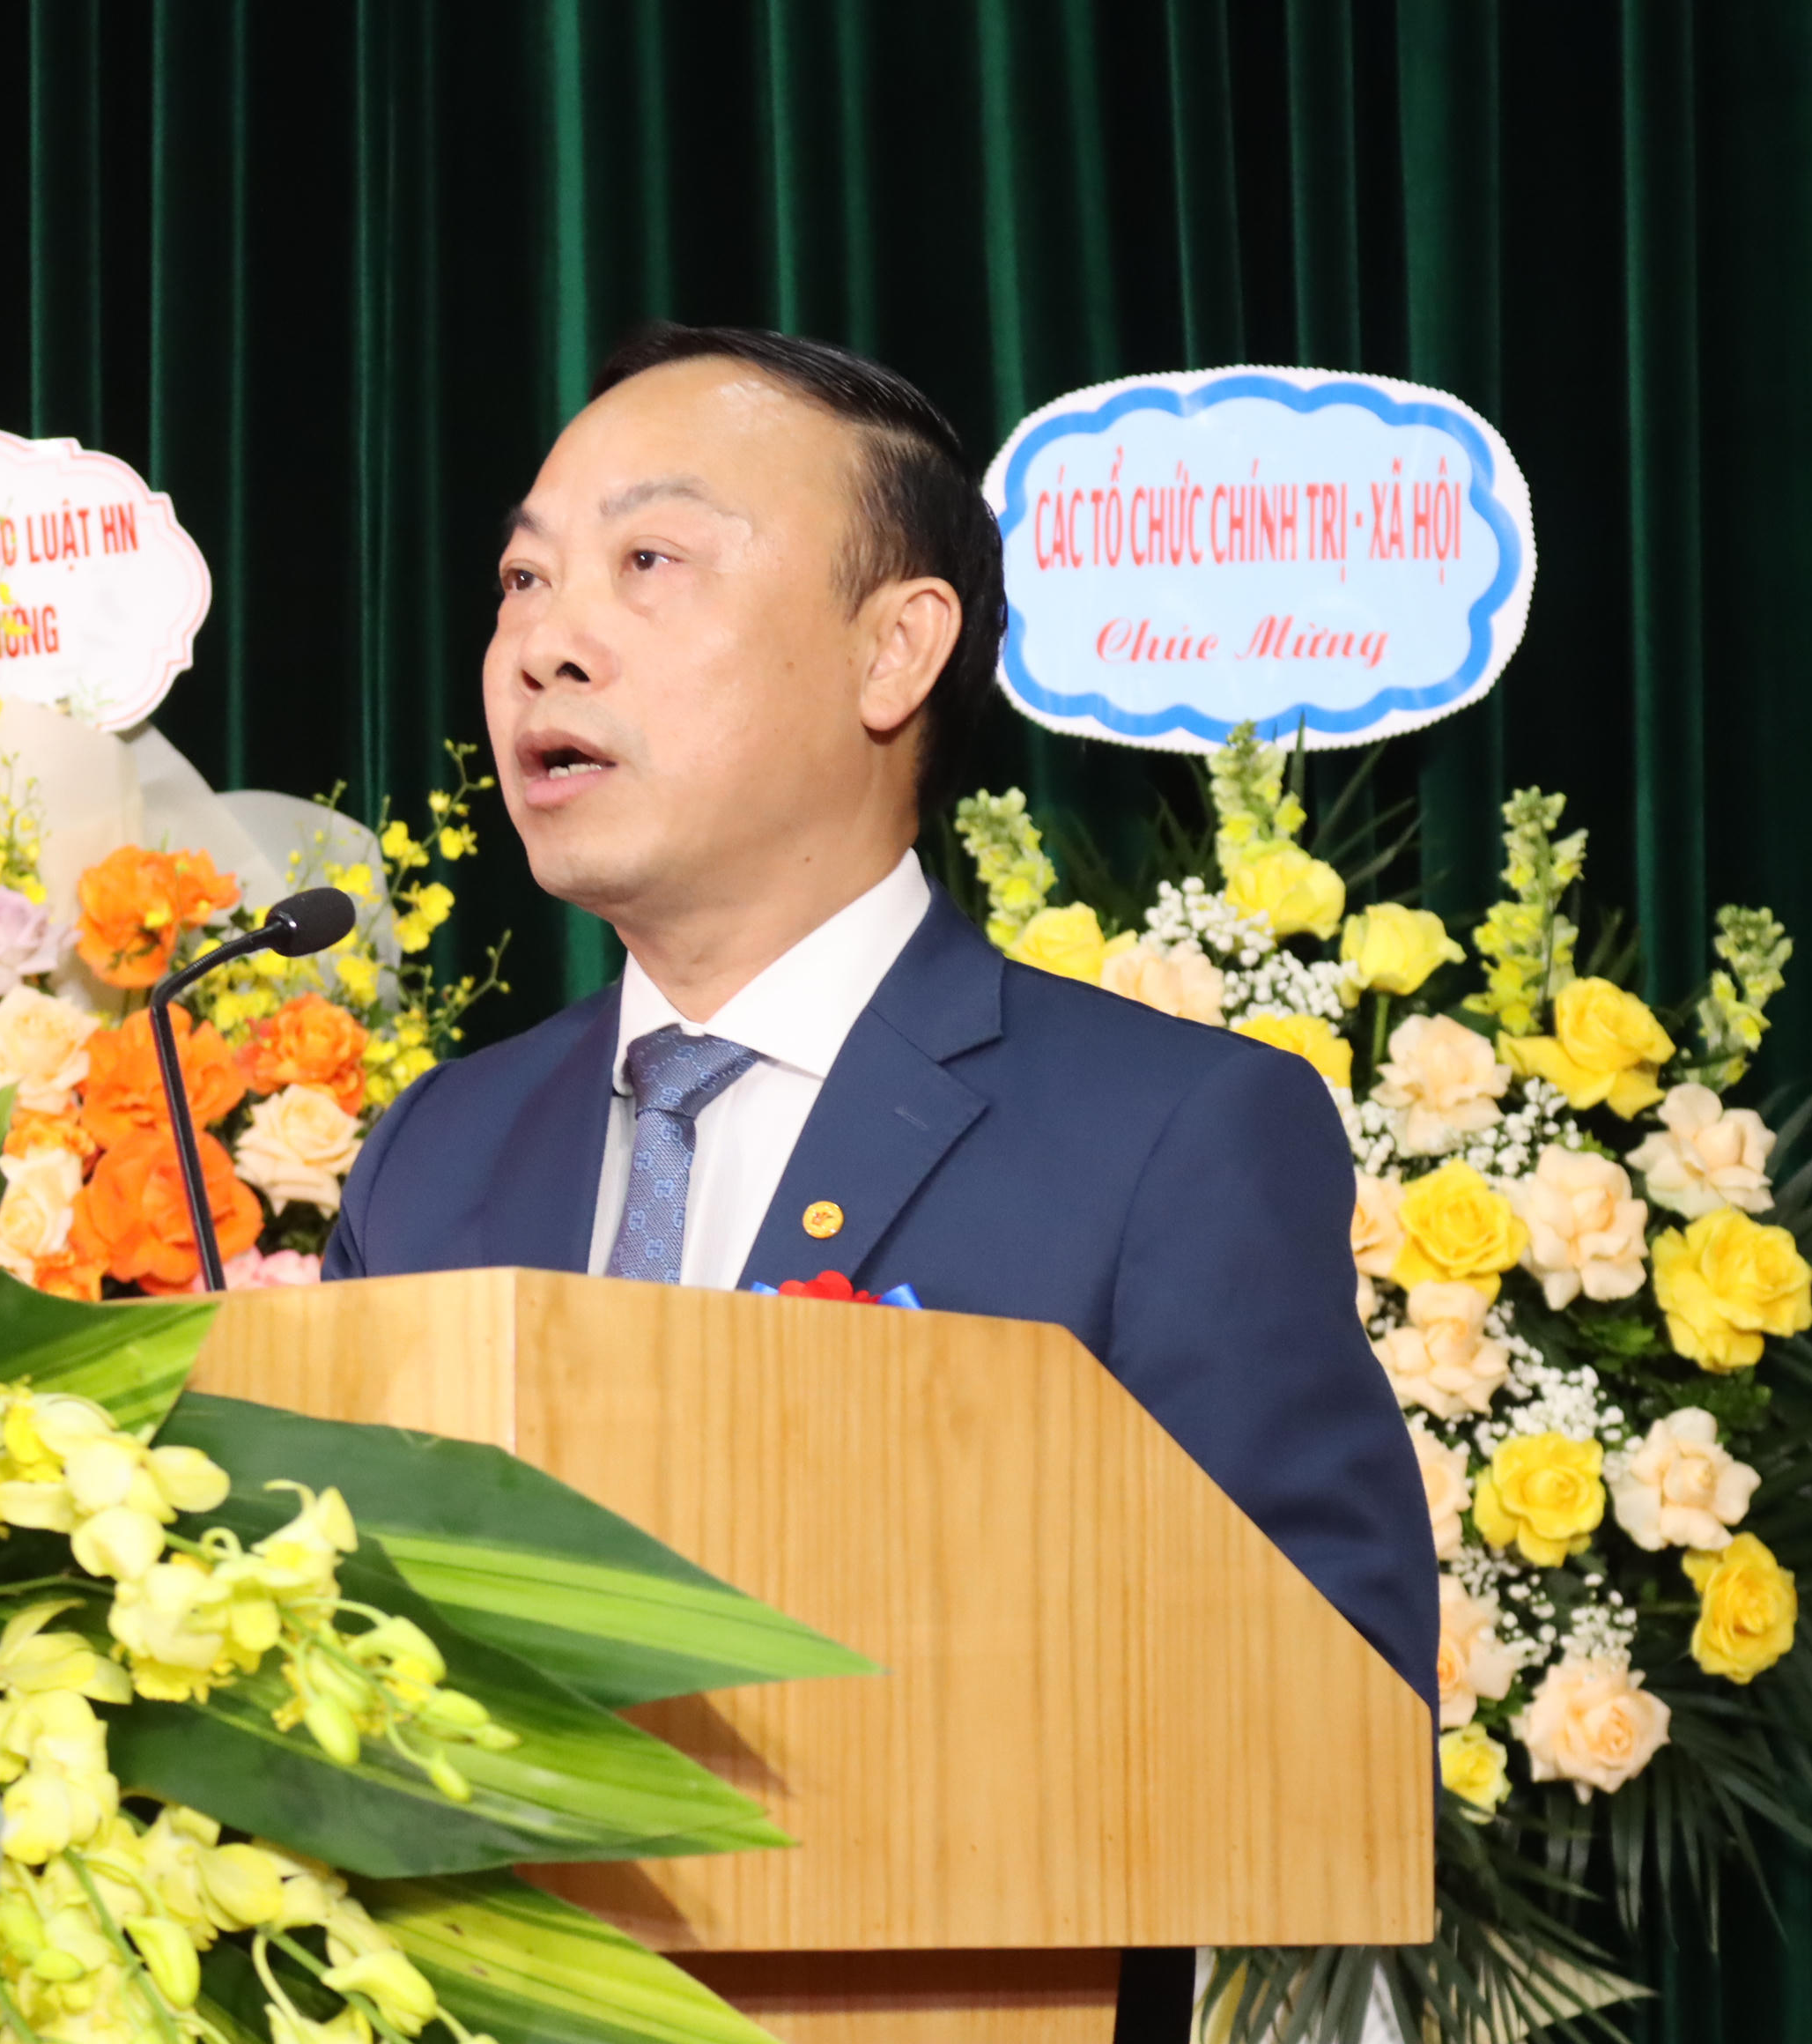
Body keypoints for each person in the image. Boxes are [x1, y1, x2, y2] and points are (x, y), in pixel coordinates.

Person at [322, 317, 1432, 1705]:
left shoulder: (1169, 1141)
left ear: (896, 651)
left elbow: (1331, 1716)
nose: (544, 644)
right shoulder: (434, 1152)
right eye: (524, 578)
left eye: (649, 561)